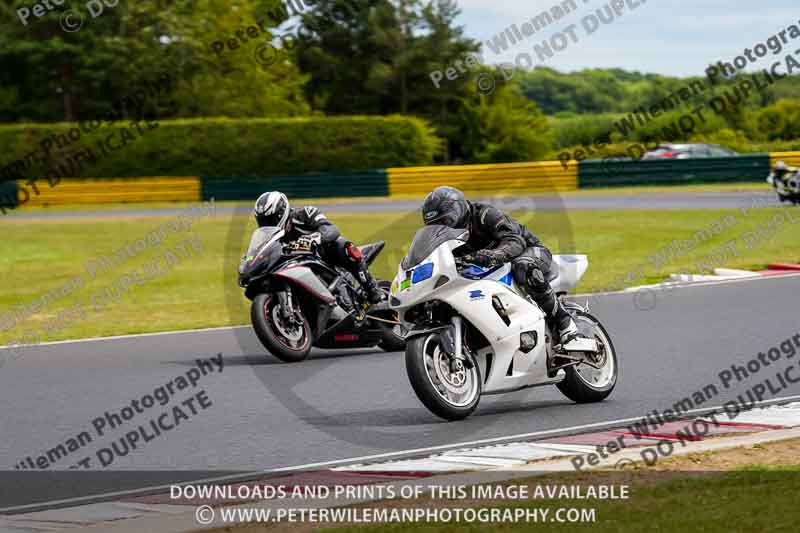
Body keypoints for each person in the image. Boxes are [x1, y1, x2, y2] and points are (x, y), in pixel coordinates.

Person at [421, 186, 586, 347]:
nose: (444, 227)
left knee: (523, 266)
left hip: (529, 251)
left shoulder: (485, 215)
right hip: (487, 268)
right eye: (437, 224)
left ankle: (565, 324)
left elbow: (515, 240)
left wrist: (494, 255)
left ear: (459, 210)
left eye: (445, 221)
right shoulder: (443, 237)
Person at [253, 191, 384, 304]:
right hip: (296, 267)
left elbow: (331, 229)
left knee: (343, 245)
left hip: (324, 257)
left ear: (281, 213)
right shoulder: (271, 236)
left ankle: (372, 289)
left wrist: (318, 237)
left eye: (270, 219)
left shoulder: (305, 214)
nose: (267, 224)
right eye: (263, 221)